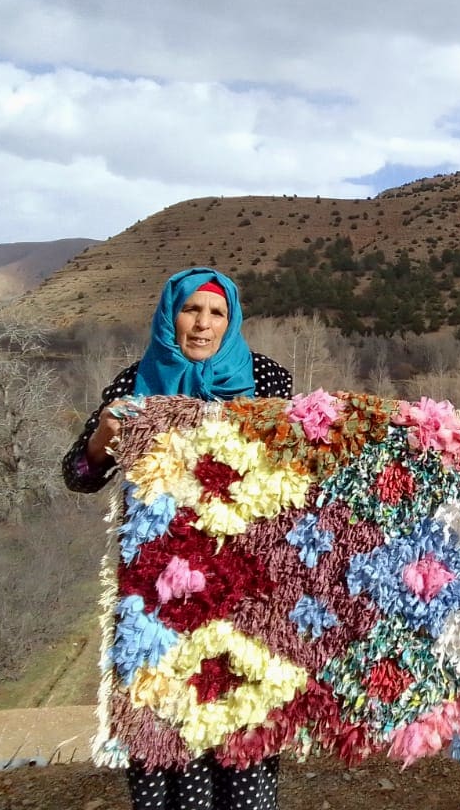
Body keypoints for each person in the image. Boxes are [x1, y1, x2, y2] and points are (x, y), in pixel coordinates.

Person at [63, 267, 293, 810]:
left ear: (231, 320)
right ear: (170, 316)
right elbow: (79, 474)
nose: (202, 323)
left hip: (245, 582)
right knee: (163, 720)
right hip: (157, 592)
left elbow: (301, 468)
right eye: (191, 310)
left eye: (216, 312)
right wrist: (103, 437)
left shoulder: (268, 380)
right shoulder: (133, 384)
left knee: (241, 716)